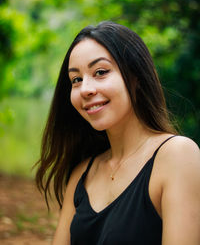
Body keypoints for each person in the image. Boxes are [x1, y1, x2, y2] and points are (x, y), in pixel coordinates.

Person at [35, 21, 200, 245]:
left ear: (136, 78)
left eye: (100, 72)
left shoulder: (177, 156)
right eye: (76, 79)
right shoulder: (83, 174)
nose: (85, 89)